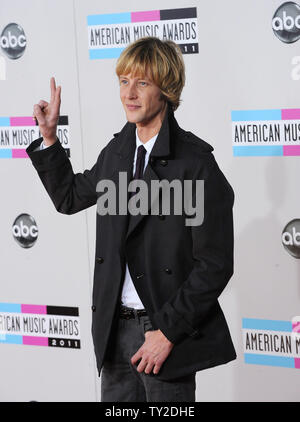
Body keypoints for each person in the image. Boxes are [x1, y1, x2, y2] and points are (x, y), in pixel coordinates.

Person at [26, 37, 236, 402]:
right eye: (124, 81)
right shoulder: (118, 152)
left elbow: (215, 264)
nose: (129, 93)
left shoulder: (196, 164)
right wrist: (49, 139)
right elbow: (70, 197)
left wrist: (167, 332)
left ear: (166, 89)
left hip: (163, 336)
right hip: (113, 332)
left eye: (142, 82)